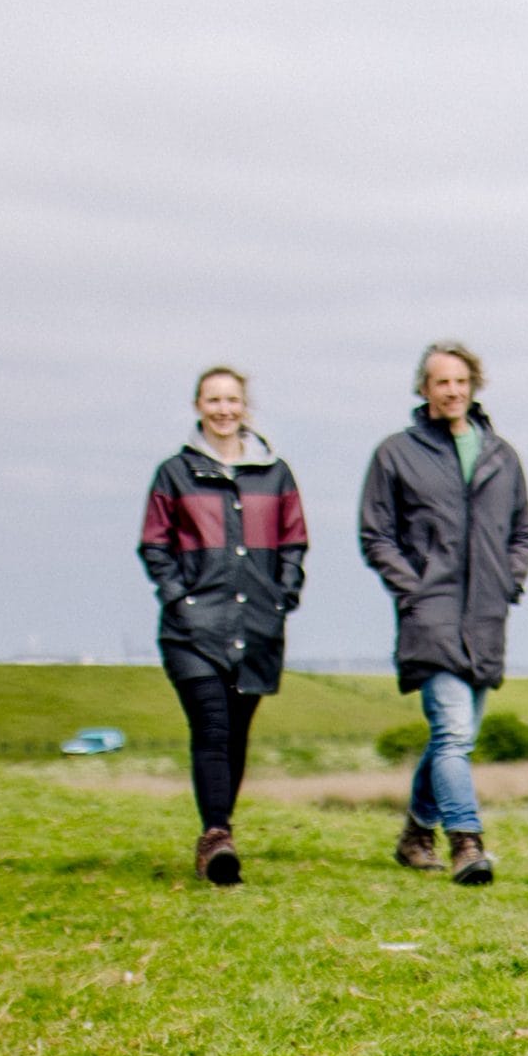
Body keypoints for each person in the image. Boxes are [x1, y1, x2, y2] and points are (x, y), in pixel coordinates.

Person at [359, 340, 528, 885]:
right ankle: (466, 843)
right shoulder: (396, 453)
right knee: (454, 733)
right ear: (424, 389)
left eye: (461, 381)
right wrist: (412, 588)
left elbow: (522, 529)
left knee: (454, 740)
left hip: (485, 615)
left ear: (473, 385)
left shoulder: (500, 455)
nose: (452, 391)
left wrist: (509, 579)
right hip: (429, 613)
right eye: (441, 382)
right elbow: (376, 534)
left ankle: (416, 834)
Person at [136, 365, 308, 886]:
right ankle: (217, 835)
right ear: (198, 406)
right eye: (213, 400)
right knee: (210, 727)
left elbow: (294, 541)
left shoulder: (275, 473)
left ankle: (218, 834)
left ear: (245, 406)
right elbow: (154, 544)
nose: (223, 409)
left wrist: (283, 595)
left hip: (256, 627)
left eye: (232, 399)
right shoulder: (175, 473)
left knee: (235, 736)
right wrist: (179, 599)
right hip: (192, 631)